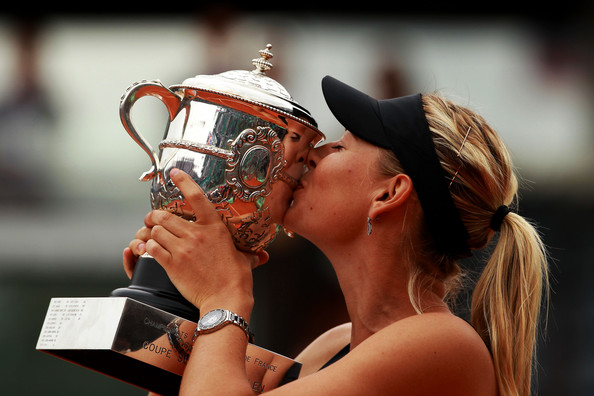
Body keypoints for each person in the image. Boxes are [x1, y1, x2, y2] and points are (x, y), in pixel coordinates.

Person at [123, 75, 549, 396]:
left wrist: (224, 298)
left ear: (389, 193)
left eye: (340, 146)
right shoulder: (333, 346)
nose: (312, 154)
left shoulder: (444, 345)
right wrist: (178, 298)